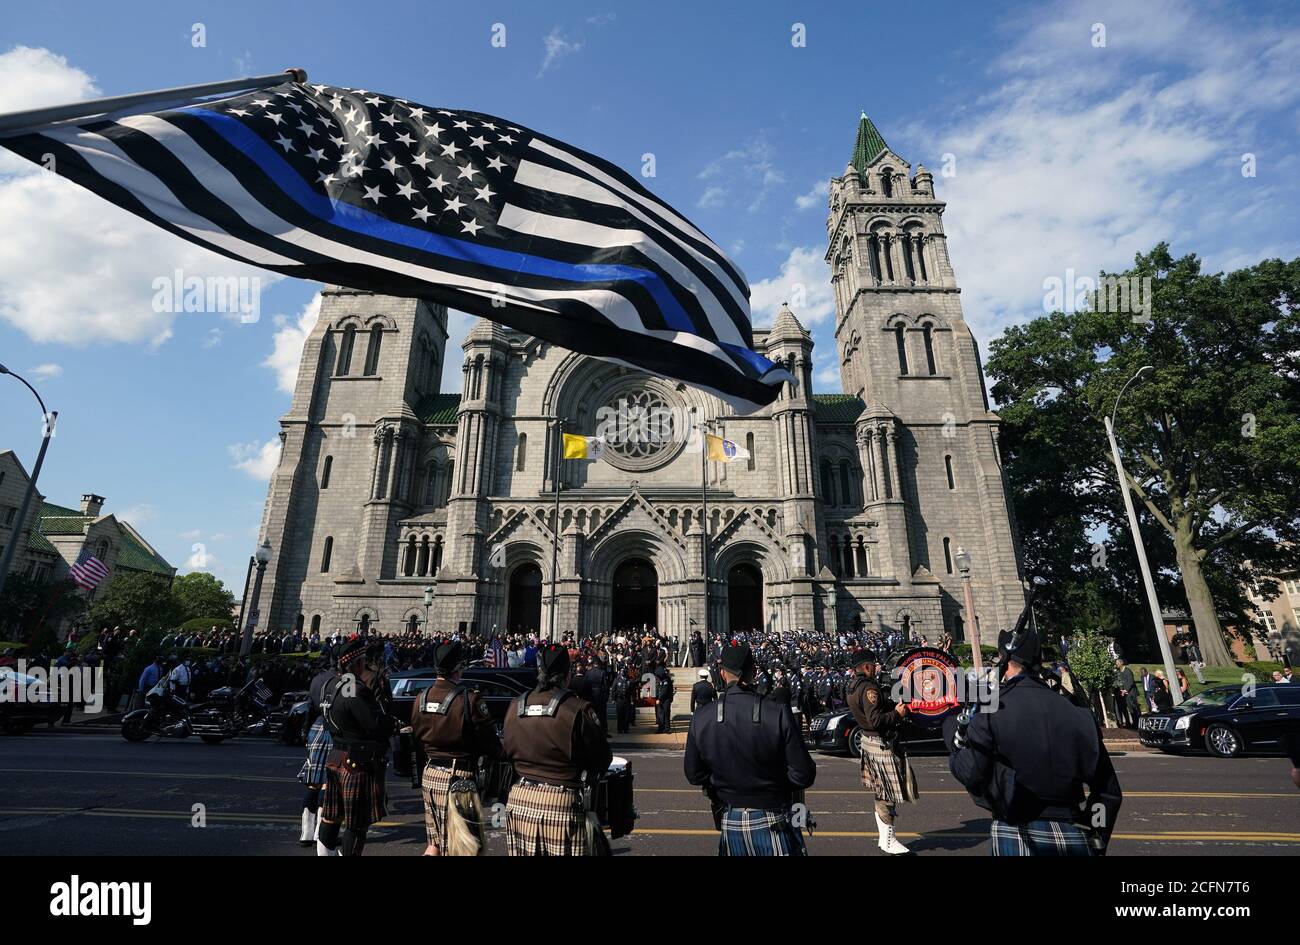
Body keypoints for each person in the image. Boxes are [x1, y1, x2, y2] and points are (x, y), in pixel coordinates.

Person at [944, 618, 1123, 856]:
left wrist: (954, 743)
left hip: (1016, 828)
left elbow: (970, 773)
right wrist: (1096, 832)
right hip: (1073, 830)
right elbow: (1108, 793)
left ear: (1005, 661)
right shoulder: (1080, 715)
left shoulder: (992, 711)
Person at [683, 643, 816, 856]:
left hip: (730, 817)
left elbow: (694, 774)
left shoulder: (701, 717)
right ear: (754, 672)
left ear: (722, 673)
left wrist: (723, 784)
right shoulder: (778, 712)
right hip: (773, 817)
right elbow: (803, 775)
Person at [502, 644, 612, 856]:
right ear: (567, 675)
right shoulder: (577, 709)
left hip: (519, 800)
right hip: (560, 803)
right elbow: (602, 759)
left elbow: (505, 750)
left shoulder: (515, 705)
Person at [409, 640, 502, 856]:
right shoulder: (468, 700)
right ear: (459, 668)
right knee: (467, 847)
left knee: (435, 843)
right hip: (459, 778)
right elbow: (491, 744)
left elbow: (415, 737)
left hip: (430, 775)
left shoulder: (420, 698)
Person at [316, 637, 396, 856]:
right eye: (362, 660)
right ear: (356, 663)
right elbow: (371, 723)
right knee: (356, 824)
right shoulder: (353, 687)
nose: (364, 665)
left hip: (336, 755)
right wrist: (391, 723)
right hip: (355, 761)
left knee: (331, 816)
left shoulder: (330, 683)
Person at [846, 649, 916, 855]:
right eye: (874, 665)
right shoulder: (868, 688)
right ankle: (888, 840)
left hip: (869, 741)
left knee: (881, 792)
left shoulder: (852, 686)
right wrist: (897, 713)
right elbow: (876, 720)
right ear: (866, 666)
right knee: (887, 794)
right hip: (880, 743)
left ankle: (884, 839)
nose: (876, 668)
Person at [298, 654, 339, 849]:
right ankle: (319, 833)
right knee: (327, 784)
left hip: (316, 728)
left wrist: (306, 731)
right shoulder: (342, 681)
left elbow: (309, 708)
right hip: (333, 731)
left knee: (312, 784)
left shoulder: (316, 679)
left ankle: (305, 833)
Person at [1115, 659, 1138, 729]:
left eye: (1117, 663)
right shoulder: (1119, 672)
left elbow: (1131, 682)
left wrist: (1125, 690)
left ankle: (1136, 723)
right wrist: (1121, 690)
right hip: (1124, 693)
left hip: (1130, 693)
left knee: (1133, 708)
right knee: (1128, 708)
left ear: (1121, 663)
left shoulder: (1128, 671)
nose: (1116, 664)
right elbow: (1121, 682)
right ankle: (1133, 723)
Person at [613, 667, 635, 734]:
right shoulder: (617, 680)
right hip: (619, 699)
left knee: (626, 715)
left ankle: (626, 728)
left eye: (624, 672)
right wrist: (613, 699)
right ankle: (619, 729)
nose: (623, 673)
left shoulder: (629, 680)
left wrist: (632, 700)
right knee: (620, 715)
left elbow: (632, 691)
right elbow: (613, 690)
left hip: (627, 699)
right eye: (622, 672)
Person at [654, 662, 674, 734]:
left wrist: (659, 699)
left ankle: (667, 728)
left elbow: (664, 691)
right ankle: (660, 728)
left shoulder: (666, 681)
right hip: (660, 699)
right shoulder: (659, 680)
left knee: (666, 714)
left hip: (666, 699)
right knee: (660, 715)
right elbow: (657, 688)